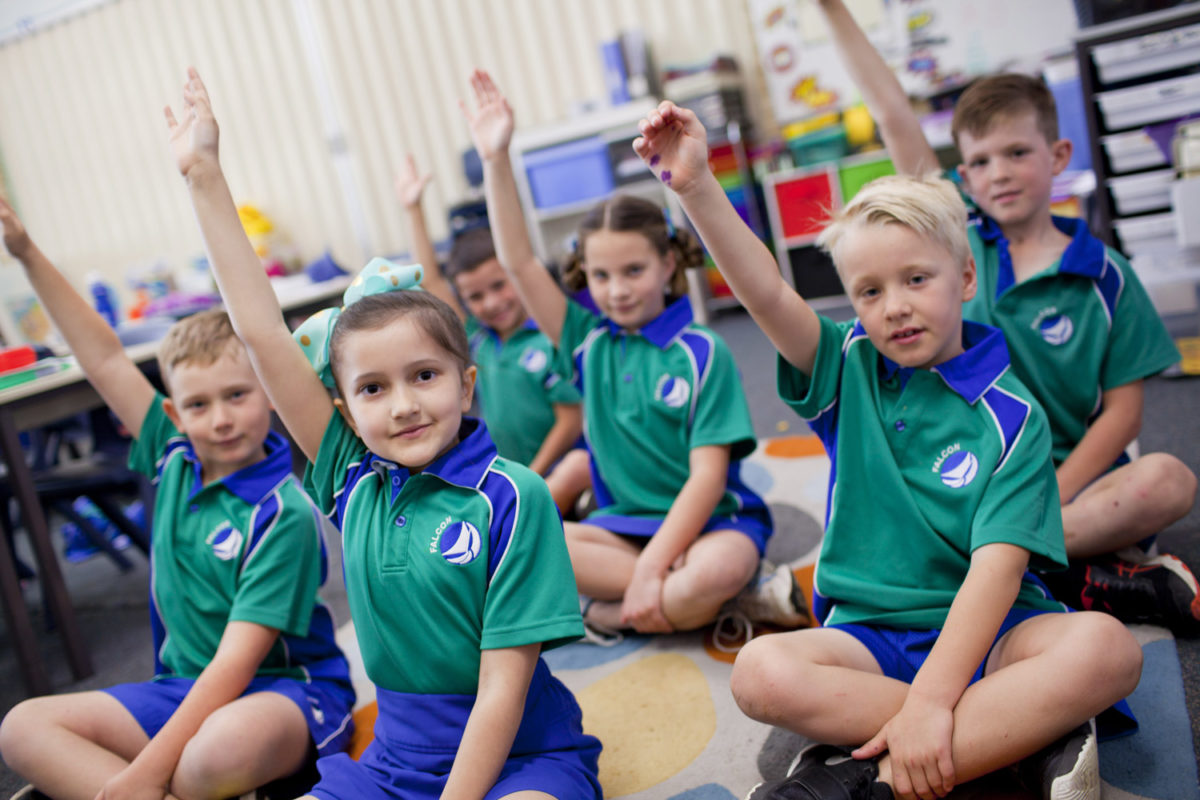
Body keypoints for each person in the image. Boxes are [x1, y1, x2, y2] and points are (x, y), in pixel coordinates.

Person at [632, 100, 1144, 800]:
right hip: (868, 638)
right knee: (757, 672)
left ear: (964, 280)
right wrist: (695, 187)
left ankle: (867, 775)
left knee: (1108, 650)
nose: (894, 306)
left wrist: (936, 700)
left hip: (995, 634)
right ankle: (1016, 741)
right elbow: (764, 292)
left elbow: (996, 575)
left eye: (916, 280)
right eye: (869, 292)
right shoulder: (844, 366)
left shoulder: (1013, 416)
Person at [165, 68, 601, 800]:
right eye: (372, 389)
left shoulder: (512, 497)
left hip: (519, 760)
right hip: (396, 767)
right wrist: (205, 174)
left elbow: (500, 695)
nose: (401, 405)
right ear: (343, 407)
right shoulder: (350, 479)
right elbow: (262, 333)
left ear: (466, 384)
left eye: (423, 377)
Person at [814, 0, 1199, 633]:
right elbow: (890, 112)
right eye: (983, 162)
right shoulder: (954, 239)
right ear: (962, 176)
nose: (1001, 174)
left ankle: (1019, 565)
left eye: (1018, 152)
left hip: (1069, 482)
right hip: (964, 475)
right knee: (932, 511)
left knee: (1168, 481)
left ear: (1057, 154)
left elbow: (1124, 415)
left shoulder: (1105, 274)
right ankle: (1078, 576)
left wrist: (1052, 492)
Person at [0, 198, 354, 800]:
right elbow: (105, 358)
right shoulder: (173, 458)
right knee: (21, 728)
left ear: (268, 393)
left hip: (287, 693)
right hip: (183, 691)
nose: (219, 419)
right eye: (197, 404)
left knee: (206, 760)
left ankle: (136, 784)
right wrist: (27, 253)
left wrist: (142, 772)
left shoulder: (283, 514)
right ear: (174, 415)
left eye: (237, 395)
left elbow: (236, 668)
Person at [463, 70, 806, 641]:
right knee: (520, 536)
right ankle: (723, 604)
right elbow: (519, 261)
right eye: (600, 275)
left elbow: (706, 480)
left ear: (669, 265)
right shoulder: (586, 339)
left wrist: (653, 568)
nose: (616, 289)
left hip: (710, 527)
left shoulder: (702, 351)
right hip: (618, 530)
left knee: (711, 570)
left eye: (633, 271)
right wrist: (497, 159)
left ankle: (603, 611)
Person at [394, 156, 584, 495]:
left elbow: (571, 420)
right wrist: (413, 211)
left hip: (556, 477)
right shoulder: (479, 341)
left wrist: (533, 478)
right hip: (511, 481)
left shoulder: (549, 337)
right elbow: (432, 282)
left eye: (499, 286)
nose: (492, 303)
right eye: (476, 296)